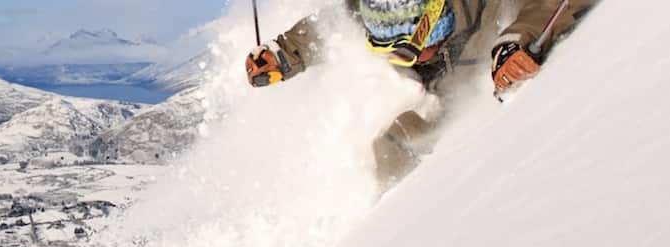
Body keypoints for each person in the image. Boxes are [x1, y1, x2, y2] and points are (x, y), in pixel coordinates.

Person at [246, 0, 598, 184]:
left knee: (406, 140)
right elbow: (335, 25)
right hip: (451, 103)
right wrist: (283, 54)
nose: (405, 61)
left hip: (491, 104)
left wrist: (515, 42)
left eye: (407, 47)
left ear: (434, 18)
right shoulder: (385, 10)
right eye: (387, 48)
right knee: (390, 145)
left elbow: (550, 4)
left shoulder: (483, 9)